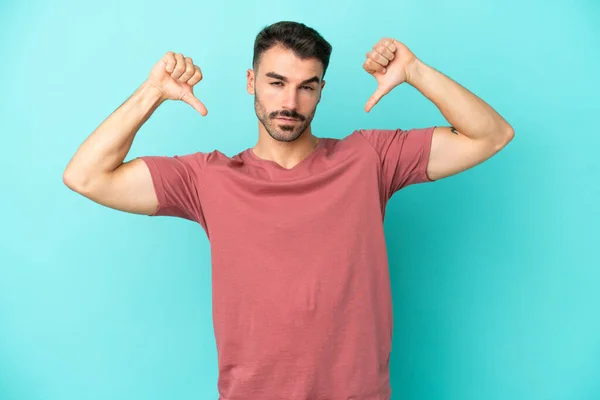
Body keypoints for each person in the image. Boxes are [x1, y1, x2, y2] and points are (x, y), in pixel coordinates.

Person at [63, 20, 514, 400]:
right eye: (276, 82)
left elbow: (490, 135)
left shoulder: (369, 158)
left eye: (306, 87)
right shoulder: (209, 178)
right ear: (250, 82)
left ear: (321, 91)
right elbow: (86, 176)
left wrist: (415, 71)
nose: (289, 103)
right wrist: (153, 92)